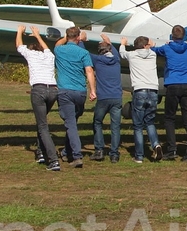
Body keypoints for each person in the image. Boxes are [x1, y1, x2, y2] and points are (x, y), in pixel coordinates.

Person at [16, 25, 61, 172]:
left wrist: (19, 32)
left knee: (43, 126)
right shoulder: (49, 56)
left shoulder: (30, 55)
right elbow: (46, 47)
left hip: (39, 90)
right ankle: (40, 152)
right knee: (41, 122)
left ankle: (53, 160)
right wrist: (37, 35)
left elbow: (19, 46)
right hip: (53, 90)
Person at [152, 25, 187, 162]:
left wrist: (158, 44)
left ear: (172, 36)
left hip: (173, 84)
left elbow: (154, 50)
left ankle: (171, 150)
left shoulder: (167, 48)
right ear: (183, 36)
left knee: (169, 118)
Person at [53, 26, 97, 168]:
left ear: (67, 36)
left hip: (65, 91)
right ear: (78, 38)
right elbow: (89, 71)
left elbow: (57, 44)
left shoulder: (59, 50)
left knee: (70, 124)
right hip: (80, 92)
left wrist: (68, 36)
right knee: (72, 123)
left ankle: (77, 156)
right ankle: (67, 151)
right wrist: (93, 90)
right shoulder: (83, 52)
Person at [119, 36, 162, 163]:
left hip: (139, 90)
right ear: (145, 46)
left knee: (138, 125)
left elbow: (122, 53)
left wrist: (123, 44)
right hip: (153, 91)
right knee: (150, 122)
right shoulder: (153, 54)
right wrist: (152, 45)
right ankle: (155, 144)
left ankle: (139, 156)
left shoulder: (132, 55)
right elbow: (152, 48)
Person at [89, 34, 124, 163]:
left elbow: (83, 53)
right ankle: (114, 154)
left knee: (97, 122)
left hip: (103, 98)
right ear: (109, 50)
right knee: (115, 126)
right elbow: (113, 51)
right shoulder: (116, 60)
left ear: (99, 52)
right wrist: (108, 41)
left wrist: (81, 41)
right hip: (116, 98)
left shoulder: (97, 60)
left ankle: (99, 150)